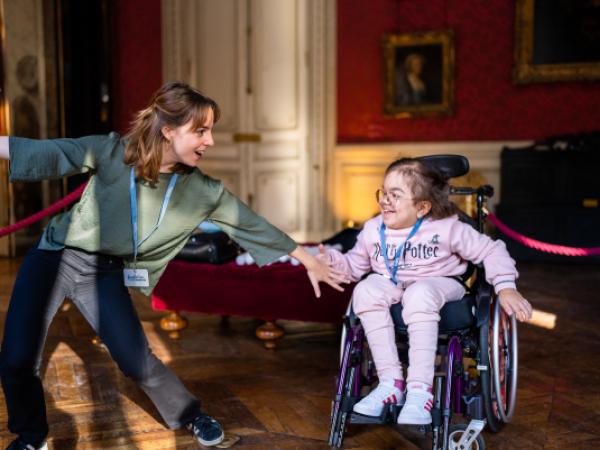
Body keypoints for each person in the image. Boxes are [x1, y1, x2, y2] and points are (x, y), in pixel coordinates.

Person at [0, 81, 346, 450]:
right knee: (17, 357)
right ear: (168, 131)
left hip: (103, 271)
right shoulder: (112, 151)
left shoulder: (201, 190)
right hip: (53, 257)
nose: (210, 141)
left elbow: (250, 223)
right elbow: (49, 153)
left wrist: (307, 259)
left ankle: (190, 414)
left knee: (136, 361)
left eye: (210, 130)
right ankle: (31, 437)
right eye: (201, 130)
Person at [317, 158, 532, 425]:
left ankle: (420, 391)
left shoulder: (447, 228)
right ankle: (390, 384)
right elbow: (354, 265)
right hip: (393, 284)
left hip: (442, 284)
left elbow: (491, 250)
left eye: (395, 196)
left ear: (422, 207)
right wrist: (331, 262)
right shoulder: (374, 229)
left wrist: (506, 287)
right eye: (383, 193)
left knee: (419, 293)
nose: (385, 201)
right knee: (365, 289)